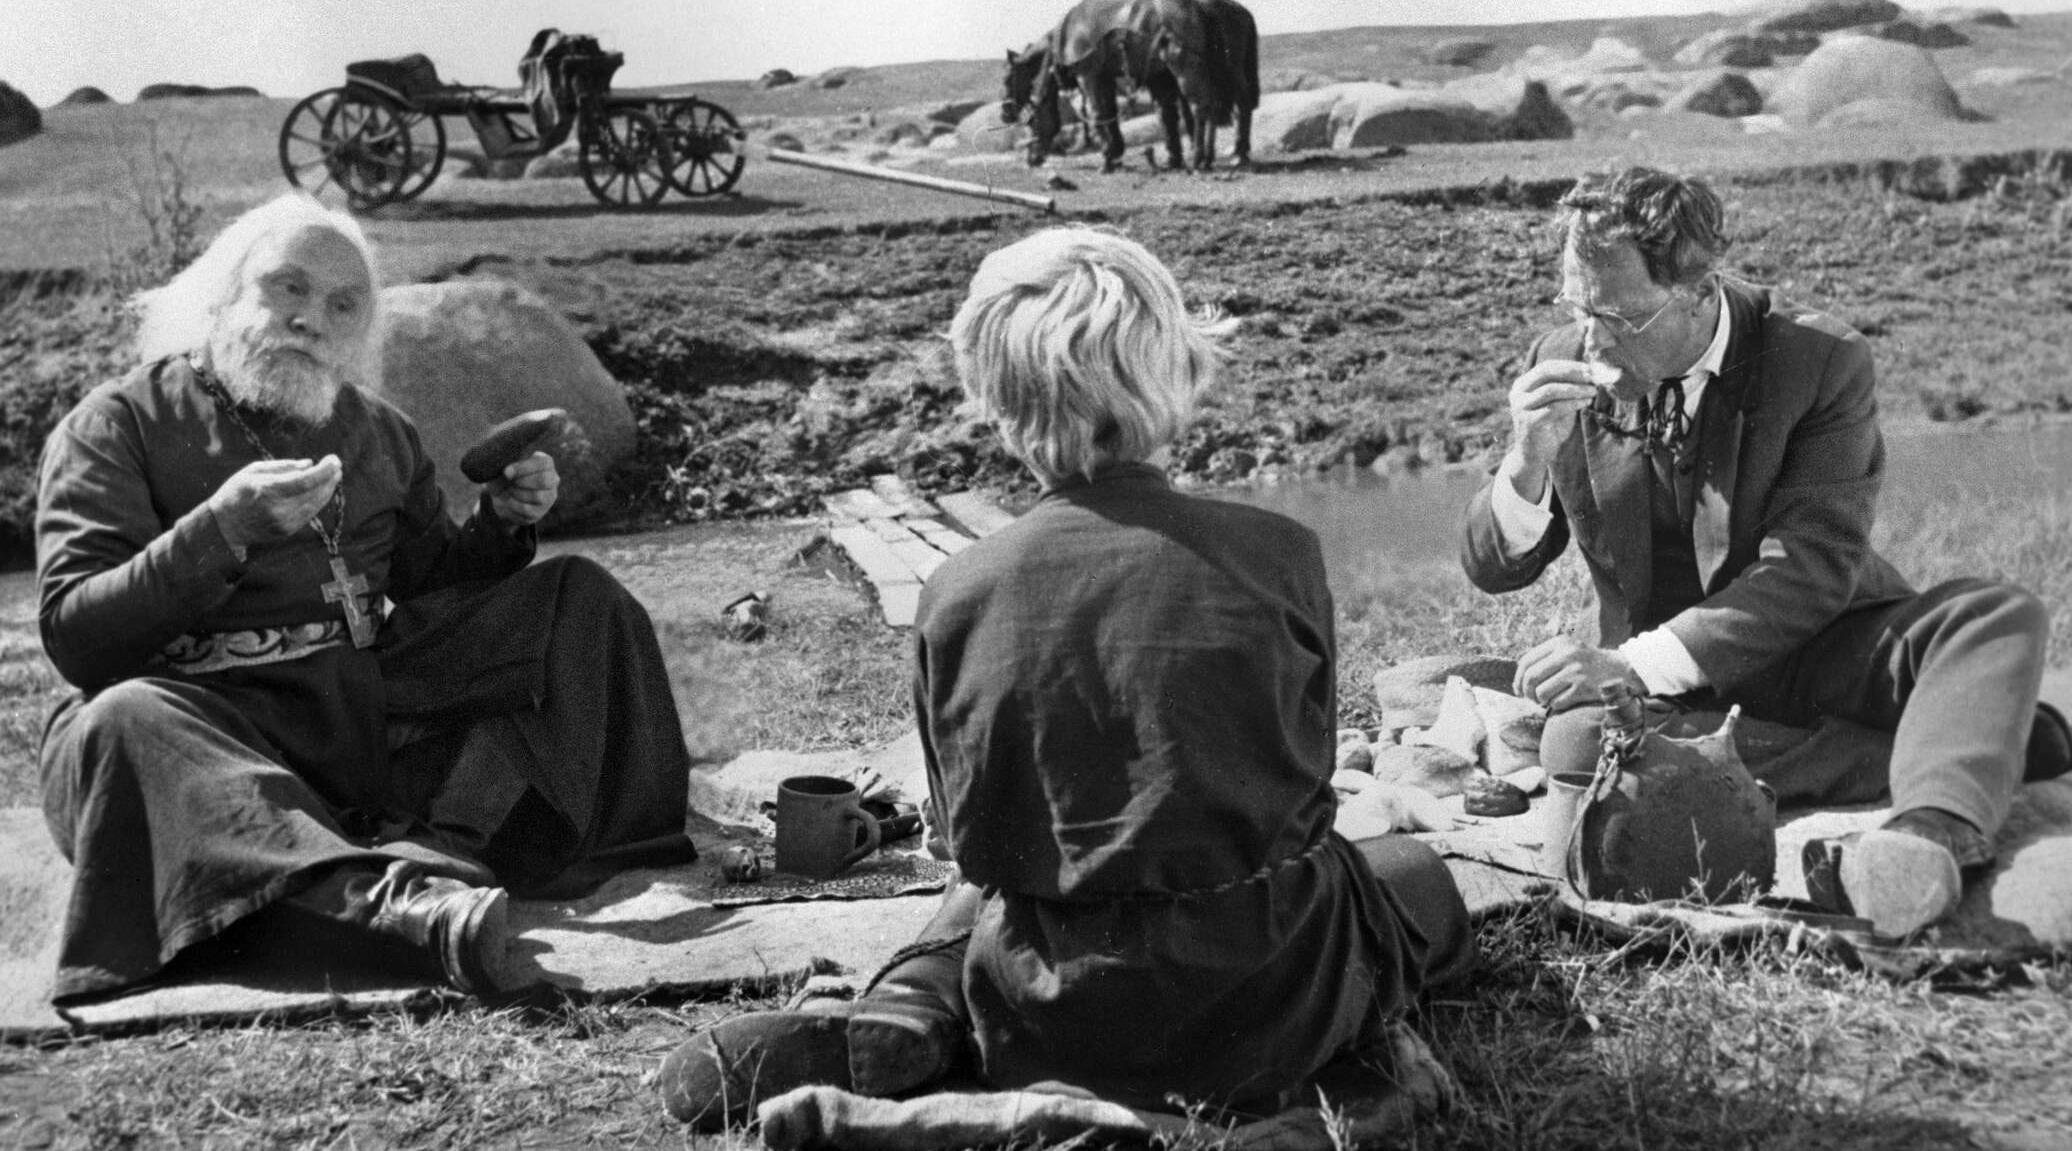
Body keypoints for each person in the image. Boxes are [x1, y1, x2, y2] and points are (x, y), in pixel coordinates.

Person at [659, 227, 1473, 1128]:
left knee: (987, 893)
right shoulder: (1282, 553)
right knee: (1416, 876)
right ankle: (1319, 1096)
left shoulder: (955, 590)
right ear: (1176, 374)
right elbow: (1306, 793)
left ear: (997, 405)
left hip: (1051, 1017)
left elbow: (966, 846)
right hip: (1272, 1001)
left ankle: (918, 1002)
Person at [36, 193, 694, 1003]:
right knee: (123, 716)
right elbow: (76, 635)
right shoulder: (116, 424)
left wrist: (500, 522)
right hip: (195, 740)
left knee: (576, 598)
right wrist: (219, 530)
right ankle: (394, 911)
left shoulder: (378, 431)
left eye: (343, 305)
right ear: (223, 291)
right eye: (288, 287)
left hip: (350, 723)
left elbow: (433, 582)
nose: (311, 319)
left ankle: (488, 842)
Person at [1460, 166, 2067, 937]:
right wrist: (1525, 459)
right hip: (1675, 701)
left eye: (1618, 315)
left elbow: (1809, 567)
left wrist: (1630, 663)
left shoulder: (1818, 359)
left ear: (1698, 290)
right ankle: (1940, 742)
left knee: (1994, 615)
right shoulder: (1560, 359)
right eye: (1578, 307)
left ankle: (1929, 834)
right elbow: (1492, 567)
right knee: (1578, 740)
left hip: (1823, 644)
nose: (1593, 338)